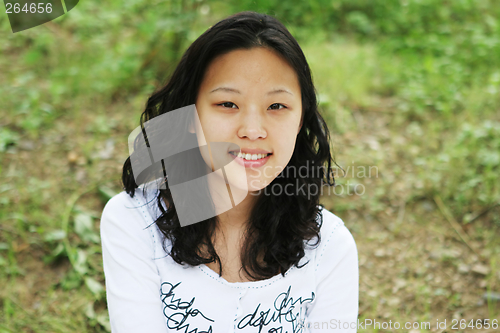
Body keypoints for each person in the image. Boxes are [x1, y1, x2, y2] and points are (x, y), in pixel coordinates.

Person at [100, 11, 359, 333]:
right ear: (189, 114)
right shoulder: (134, 222)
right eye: (227, 104)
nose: (252, 130)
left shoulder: (330, 247)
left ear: (301, 120)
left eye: (276, 106)